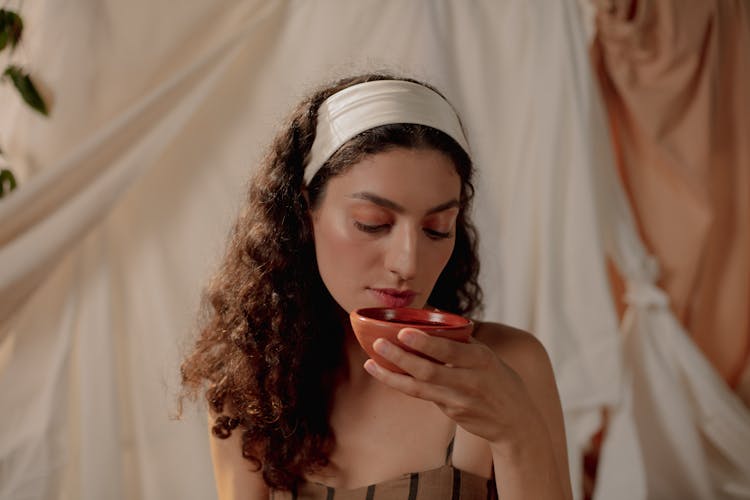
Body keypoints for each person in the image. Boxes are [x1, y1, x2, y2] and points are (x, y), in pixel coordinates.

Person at [180, 73, 573, 500]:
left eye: (438, 229)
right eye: (373, 224)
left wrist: (517, 434)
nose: (407, 263)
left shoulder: (504, 367)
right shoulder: (249, 385)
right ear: (303, 214)